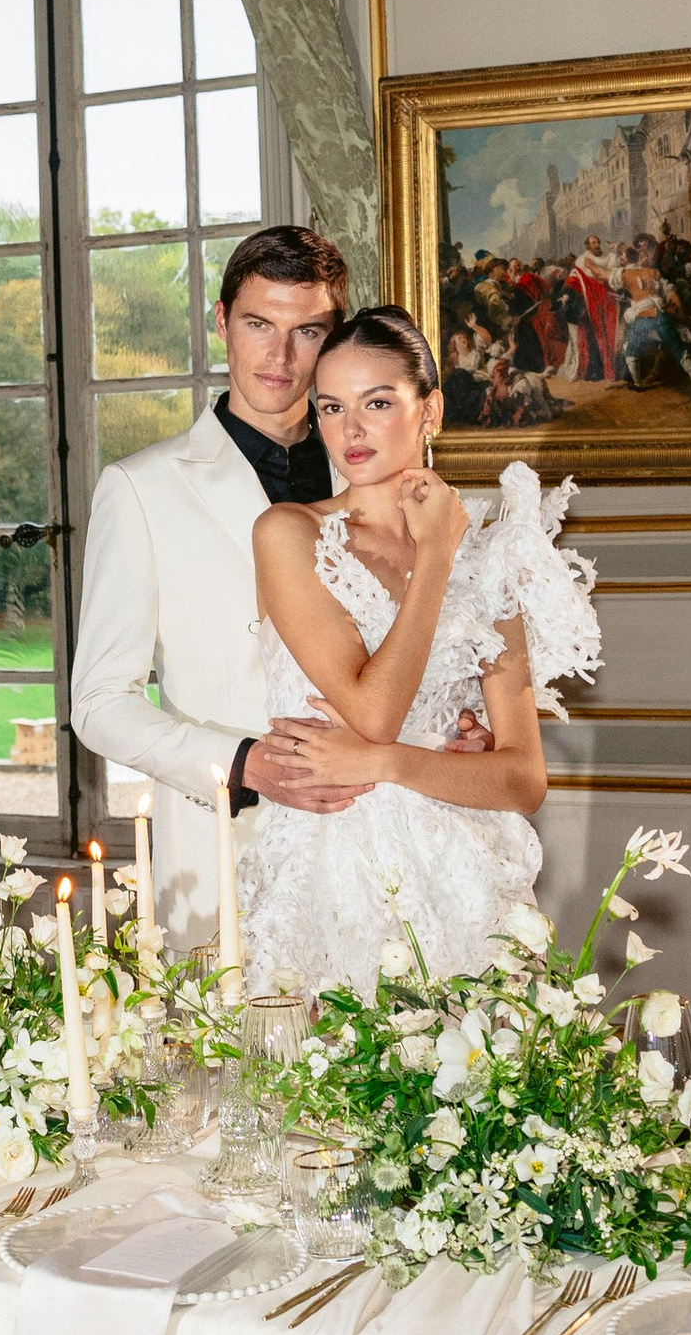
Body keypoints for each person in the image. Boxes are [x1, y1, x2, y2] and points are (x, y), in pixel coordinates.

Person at [69, 225, 481, 948]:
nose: (282, 356)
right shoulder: (140, 488)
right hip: (229, 852)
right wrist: (243, 763)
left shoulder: (382, 475)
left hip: (394, 850)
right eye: (260, 324)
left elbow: (424, 640)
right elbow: (99, 705)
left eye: (309, 331)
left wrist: (458, 728)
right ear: (222, 320)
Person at [237, 304, 601, 998]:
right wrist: (437, 553)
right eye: (331, 406)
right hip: (331, 869)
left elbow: (523, 779)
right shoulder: (288, 534)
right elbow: (374, 708)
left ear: (430, 409)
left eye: (377, 402)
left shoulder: (494, 555)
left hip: (463, 873)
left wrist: (385, 763)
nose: (351, 430)